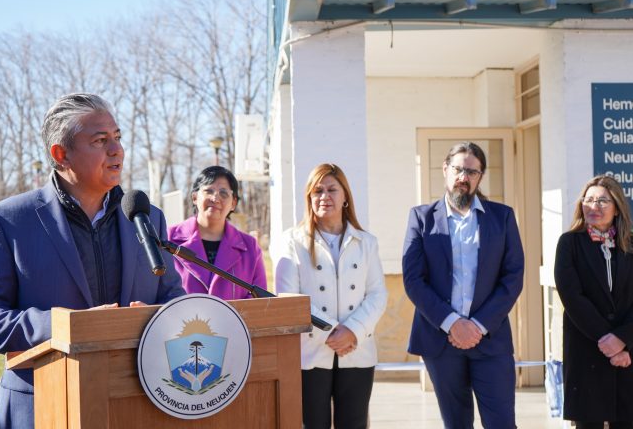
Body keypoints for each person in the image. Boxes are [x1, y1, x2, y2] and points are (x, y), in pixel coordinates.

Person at [0, 93, 185, 429]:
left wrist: (154, 317)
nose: (116, 150)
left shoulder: (147, 218)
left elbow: (172, 297)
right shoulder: (8, 220)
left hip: (135, 403)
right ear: (60, 154)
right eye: (100, 140)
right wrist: (64, 326)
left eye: (117, 138)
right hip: (42, 407)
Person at [402, 141, 524, 429]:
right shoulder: (421, 218)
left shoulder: (502, 217)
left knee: (502, 424)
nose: (463, 177)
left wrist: (478, 326)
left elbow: (513, 276)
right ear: (445, 169)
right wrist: (453, 323)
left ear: (480, 177)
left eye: (472, 171)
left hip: (490, 340)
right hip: (440, 340)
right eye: (458, 169)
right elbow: (413, 279)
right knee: (456, 424)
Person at [274, 163, 388, 429]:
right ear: (309, 199)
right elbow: (288, 297)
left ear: (345, 196)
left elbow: (377, 294)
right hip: (311, 351)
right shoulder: (292, 241)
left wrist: (353, 331)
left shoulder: (366, 242)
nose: (325, 196)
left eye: (332, 189)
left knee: (355, 424)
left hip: (357, 350)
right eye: (317, 191)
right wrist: (333, 332)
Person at [554, 175, 633, 429]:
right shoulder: (569, 243)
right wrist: (608, 342)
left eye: (602, 200)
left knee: (626, 422)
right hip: (587, 347)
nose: (594, 206)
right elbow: (572, 296)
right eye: (588, 200)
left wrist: (622, 340)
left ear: (617, 206)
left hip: (629, 349)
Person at [167, 166, 267, 299]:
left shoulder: (250, 247)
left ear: (233, 203)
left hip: (233, 320)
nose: (215, 198)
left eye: (224, 193)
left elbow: (260, 302)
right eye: (209, 191)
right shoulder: (168, 239)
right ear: (195, 197)